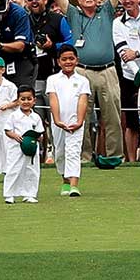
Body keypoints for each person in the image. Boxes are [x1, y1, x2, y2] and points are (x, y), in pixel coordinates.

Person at [40, 0, 134, 166]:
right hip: (81, 71)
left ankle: (113, 156)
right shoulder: (73, 13)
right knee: (81, 115)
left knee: (111, 116)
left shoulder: (107, 11)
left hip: (108, 70)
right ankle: (82, 157)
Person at [26, 0, 74, 162]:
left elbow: (70, 41)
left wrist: (52, 46)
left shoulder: (57, 19)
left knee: (56, 116)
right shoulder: (25, 20)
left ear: (45, 0)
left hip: (53, 75)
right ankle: (37, 155)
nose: (34, 1)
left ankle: (59, 154)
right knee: (35, 118)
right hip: (31, 75)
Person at [112, 0, 140, 162]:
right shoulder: (117, 23)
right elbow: (122, 50)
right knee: (131, 122)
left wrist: (138, 54)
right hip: (130, 77)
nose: (127, 1)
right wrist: (138, 75)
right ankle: (132, 161)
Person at [46, 45, 90, 197]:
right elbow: (53, 100)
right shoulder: (53, 79)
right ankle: (65, 181)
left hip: (75, 122)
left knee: (73, 152)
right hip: (58, 123)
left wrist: (79, 121)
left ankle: (74, 185)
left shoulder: (83, 80)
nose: (68, 62)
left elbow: (83, 101)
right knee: (59, 152)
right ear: (58, 62)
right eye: (64, 59)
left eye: (71, 59)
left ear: (77, 60)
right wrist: (57, 120)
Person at [3, 85, 44, 203]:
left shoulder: (36, 117)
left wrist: (37, 139)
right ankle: (10, 194)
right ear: (17, 101)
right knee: (14, 169)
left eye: (29, 99)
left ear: (34, 100)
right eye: (23, 99)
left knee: (31, 170)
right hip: (16, 148)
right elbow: (7, 130)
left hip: (31, 149)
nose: (26, 102)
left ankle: (30, 194)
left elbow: (40, 132)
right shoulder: (13, 116)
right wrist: (15, 136)